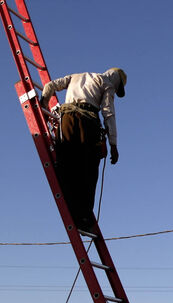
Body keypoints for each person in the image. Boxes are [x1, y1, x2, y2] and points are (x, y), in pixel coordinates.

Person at [40, 68, 127, 231]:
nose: (116, 90)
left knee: (66, 162)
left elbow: (50, 86)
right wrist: (113, 144)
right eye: (118, 87)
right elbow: (108, 113)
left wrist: (43, 105)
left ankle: (69, 204)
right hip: (87, 124)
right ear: (116, 79)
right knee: (88, 171)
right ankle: (84, 218)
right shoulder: (106, 83)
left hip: (66, 121)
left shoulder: (77, 76)